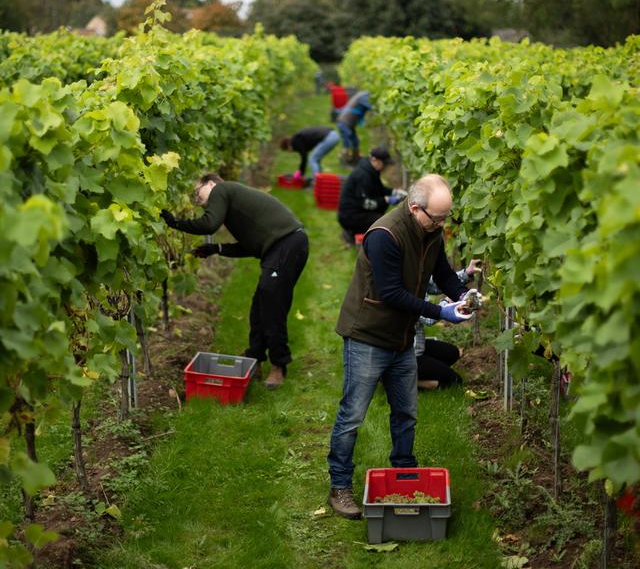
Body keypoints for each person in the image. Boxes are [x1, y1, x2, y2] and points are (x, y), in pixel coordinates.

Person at [326, 174, 482, 519]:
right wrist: (439, 312)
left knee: (406, 413)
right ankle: (339, 486)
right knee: (353, 415)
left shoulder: (430, 231)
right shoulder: (384, 236)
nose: (442, 224)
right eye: (437, 218)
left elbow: (441, 273)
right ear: (415, 208)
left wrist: (464, 298)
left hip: (402, 338)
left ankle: (402, 474)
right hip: (368, 334)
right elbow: (392, 293)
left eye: (446, 217)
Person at [159, 173, 309, 390]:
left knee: (272, 306)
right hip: (282, 247)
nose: (197, 200)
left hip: (287, 245)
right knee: (259, 307)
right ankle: (255, 358)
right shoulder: (234, 205)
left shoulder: (222, 189)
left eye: (197, 193)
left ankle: (279, 364)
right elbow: (251, 246)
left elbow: (209, 225)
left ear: (210, 183)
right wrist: (217, 249)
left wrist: (176, 223)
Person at [415, 259, 482, 390]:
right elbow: (427, 318)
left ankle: (407, 374)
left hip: (416, 343)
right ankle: (396, 379)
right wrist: (447, 302)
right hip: (404, 352)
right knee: (454, 381)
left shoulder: (412, 269)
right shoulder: (400, 282)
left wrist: (466, 273)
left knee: (452, 353)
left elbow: (435, 284)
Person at [337, 146, 406, 245]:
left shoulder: (370, 170)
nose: (385, 167)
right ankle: (351, 233)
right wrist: (386, 200)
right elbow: (367, 203)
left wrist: (393, 192)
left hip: (356, 211)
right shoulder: (364, 176)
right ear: (376, 161)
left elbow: (377, 189)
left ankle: (354, 232)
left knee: (382, 216)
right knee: (382, 222)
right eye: (384, 163)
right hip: (349, 216)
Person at [336, 90, 372, 164]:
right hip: (345, 122)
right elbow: (371, 106)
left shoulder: (361, 95)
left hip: (348, 122)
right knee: (347, 142)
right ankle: (344, 161)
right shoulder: (363, 97)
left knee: (355, 141)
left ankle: (355, 160)